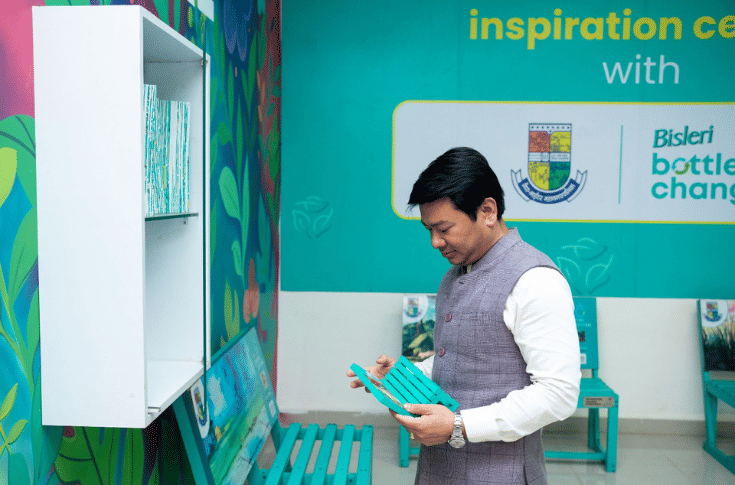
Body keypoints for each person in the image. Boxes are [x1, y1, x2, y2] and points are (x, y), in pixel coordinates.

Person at [347, 147, 581, 484]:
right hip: (441, 469)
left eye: (444, 228)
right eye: (428, 229)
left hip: (500, 474)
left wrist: (459, 425)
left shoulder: (535, 280)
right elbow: (460, 358)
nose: (435, 242)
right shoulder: (456, 275)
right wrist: (400, 378)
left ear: (487, 211)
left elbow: (558, 394)